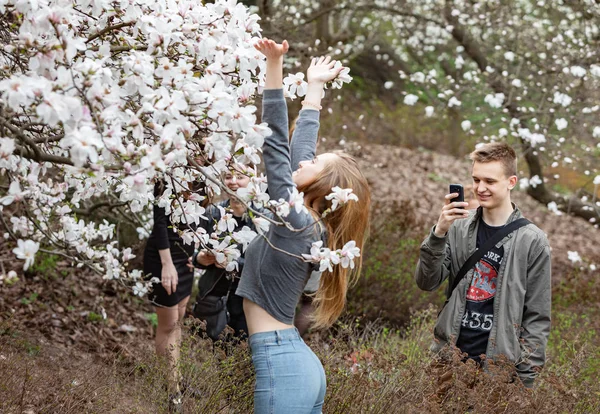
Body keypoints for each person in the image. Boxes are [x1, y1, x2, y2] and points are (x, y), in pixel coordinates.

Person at [235, 38, 371, 413]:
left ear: (322, 185)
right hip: (295, 362)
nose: (303, 163)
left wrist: (274, 65)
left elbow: (276, 145)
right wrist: (314, 89)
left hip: (283, 364)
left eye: (313, 165)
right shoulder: (308, 224)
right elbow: (300, 154)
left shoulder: (296, 220)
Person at [415, 142, 551, 388]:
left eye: (490, 181)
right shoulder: (457, 228)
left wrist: (526, 379)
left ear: (511, 182)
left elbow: (537, 316)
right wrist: (439, 232)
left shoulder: (532, 240)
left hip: (500, 370)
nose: (480, 188)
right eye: (476, 180)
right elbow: (426, 282)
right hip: (449, 361)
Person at [143, 179, 207, 408]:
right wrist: (167, 265)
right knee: (168, 325)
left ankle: (176, 379)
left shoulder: (203, 177)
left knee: (178, 322)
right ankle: (172, 390)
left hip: (186, 258)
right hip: (164, 259)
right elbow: (159, 223)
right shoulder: (167, 175)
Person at [191, 163, 256, 340]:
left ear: (252, 181)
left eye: (240, 177)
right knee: (214, 354)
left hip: (247, 300)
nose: (233, 182)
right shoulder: (213, 212)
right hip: (215, 297)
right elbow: (196, 253)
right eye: (228, 177)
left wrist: (234, 264)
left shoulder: (262, 217)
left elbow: (266, 266)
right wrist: (200, 258)